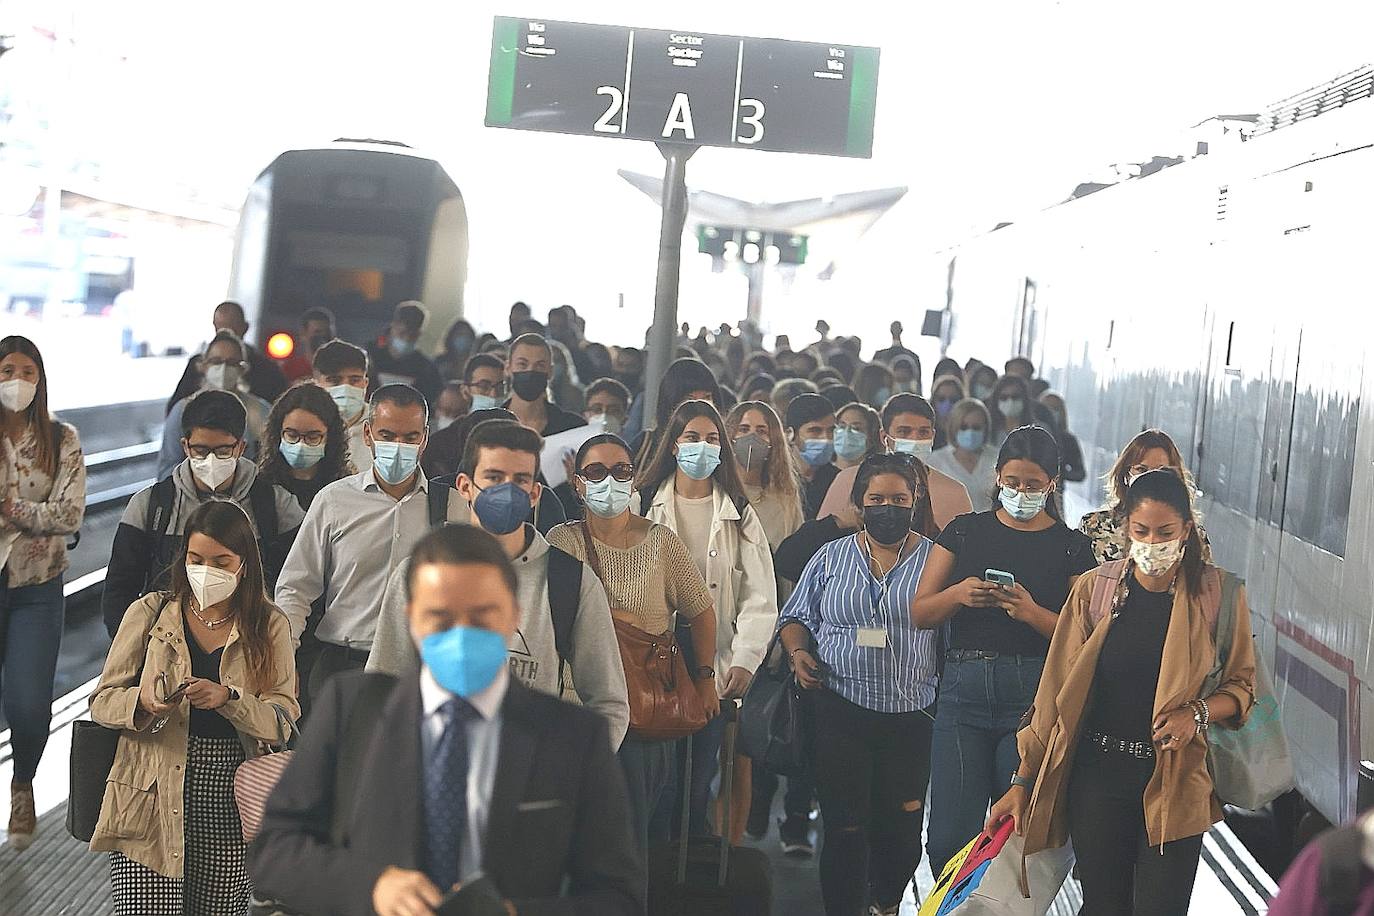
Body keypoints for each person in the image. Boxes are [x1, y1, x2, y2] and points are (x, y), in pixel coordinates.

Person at [251, 524, 644, 916]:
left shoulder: (572, 736)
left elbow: (619, 898)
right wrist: (373, 887)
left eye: (482, 616)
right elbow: (275, 850)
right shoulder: (351, 711)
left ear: (513, 615)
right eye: (440, 617)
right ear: (411, 618)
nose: (461, 635)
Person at [988, 469, 1257, 916]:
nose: (1154, 544)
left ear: (1187, 530)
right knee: (1104, 906)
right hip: (1097, 779)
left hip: (1176, 780)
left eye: (1166, 532)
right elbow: (1053, 693)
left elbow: (1242, 686)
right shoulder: (1095, 590)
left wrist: (1197, 713)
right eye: (1142, 531)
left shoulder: (1218, 595)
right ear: (1125, 528)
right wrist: (1021, 781)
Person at [90, 501, 299, 915]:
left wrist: (230, 700)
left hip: (227, 801)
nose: (207, 571)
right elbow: (102, 701)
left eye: (222, 562)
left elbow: (282, 720)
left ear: (244, 564)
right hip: (147, 792)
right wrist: (142, 703)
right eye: (196, 559)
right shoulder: (150, 614)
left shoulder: (269, 624)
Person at [367, 418, 629, 747]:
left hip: (528, 783)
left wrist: (570, 779)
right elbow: (380, 690)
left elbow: (609, 702)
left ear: (535, 494)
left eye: (520, 480)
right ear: (464, 486)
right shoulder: (421, 575)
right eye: (493, 477)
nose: (507, 489)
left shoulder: (569, 581)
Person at [911, 425, 1097, 875]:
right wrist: (958, 596)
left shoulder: (1072, 547)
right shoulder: (965, 531)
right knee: (948, 836)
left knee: (1012, 832)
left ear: (1052, 484)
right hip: (963, 694)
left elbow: (1085, 639)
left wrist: (1033, 613)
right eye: (1012, 482)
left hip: (1031, 700)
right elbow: (921, 611)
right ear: (997, 477)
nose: (1020, 492)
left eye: (1032, 485)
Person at [779, 452, 940, 916]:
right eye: (877, 499)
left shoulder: (937, 562)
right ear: (859, 504)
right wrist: (799, 652)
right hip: (841, 709)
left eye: (898, 499)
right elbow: (796, 616)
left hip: (912, 716)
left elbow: (951, 635)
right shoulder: (831, 556)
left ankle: (887, 902)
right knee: (846, 828)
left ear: (915, 502)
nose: (887, 508)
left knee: (904, 829)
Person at [547, 434, 720, 865]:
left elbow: (701, 611)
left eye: (621, 471)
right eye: (596, 472)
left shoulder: (662, 542)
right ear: (578, 484)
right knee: (578, 834)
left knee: (636, 837)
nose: (609, 481)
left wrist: (705, 678)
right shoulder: (560, 541)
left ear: (634, 479)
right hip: (581, 703)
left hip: (647, 707)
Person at [638, 400, 779, 840]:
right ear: (674, 444)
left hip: (712, 661)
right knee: (657, 785)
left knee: (696, 784)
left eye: (713, 439)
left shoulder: (738, 512)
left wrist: (745, 658)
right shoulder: (645, 503)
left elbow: (760, 595)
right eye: (693, 438)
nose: (703, 447)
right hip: (650, 662)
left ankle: (687, 880)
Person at [274, 384, 463, 701]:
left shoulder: (452, 507)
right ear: (367, 434)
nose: (398, 446)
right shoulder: (335, 500)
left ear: (425, 438)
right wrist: (282, 662)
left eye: (410, 438)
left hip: (420, 671)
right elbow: (296, 588)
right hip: (342, 665)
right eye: (387, 436)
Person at [103, 389, 304, 638]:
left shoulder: (274, 505)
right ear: (185, 446)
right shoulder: (151, 506)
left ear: (241, 447)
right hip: (167, 646)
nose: (210, 460)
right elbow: (119, 588)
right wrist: (134, 647)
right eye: (200, 450)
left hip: (249, 644)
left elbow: (298, 583)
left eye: (222, 451)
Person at [0, 336, 85, 851]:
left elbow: (70, 514)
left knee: (30, 705)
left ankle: (23, 781)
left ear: (41, 378)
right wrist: (36, 515)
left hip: (37, 587)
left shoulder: (61, 438)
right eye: (7, 369)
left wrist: (13, 511)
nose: (17, 380)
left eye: (27, 371)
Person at [817, 393, 974, 530]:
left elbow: (968, 554)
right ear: (884, 437)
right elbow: (821, 540)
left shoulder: (954, 493)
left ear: (932, 436)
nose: (915, 439)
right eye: (904, 431)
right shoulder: (847, 481)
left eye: (923, 432)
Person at [1079, 428, 1211, 563]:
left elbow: (1203, 580)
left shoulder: (1194, 535)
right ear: (1125, 474)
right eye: (1141, 470)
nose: (1150, 478)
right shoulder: (1095, 526)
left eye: (1161, 470)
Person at [158, 330, 273, 479]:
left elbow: (270, 465)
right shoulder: (182, 410)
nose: (224, 368)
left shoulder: (260, 411)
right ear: (203, 366)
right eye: (216, 361)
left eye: (232, 363)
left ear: (242, 368)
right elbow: (167, 469)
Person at [166, 300, 287, 411]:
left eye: (231, 363)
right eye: (216, 362)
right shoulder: (196, 365)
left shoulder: (266, 369)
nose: (226, 334)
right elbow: (174, 409)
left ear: (245, 328)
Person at [257, 382, 356, 512]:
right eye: (292, 435)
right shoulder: (260, 486)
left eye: (313, 437)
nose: (301, 444)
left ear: (330, 438)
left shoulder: (344, 488)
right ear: (278, 433)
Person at [726, 400, 804, 555]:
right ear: (730, 436)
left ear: (773, 441)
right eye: (744, 429)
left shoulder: (785, 499)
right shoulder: (717, 491)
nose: (752, 437)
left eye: (761, 431)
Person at [628, 356, 720, 465]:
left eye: (707, 398)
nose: (700, 406)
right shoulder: (644, 446)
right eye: (689, 399)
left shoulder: (721, 447)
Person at [504, 332, 586, 438]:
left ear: (551, 372)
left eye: (540, 365)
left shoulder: (573, 427)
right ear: (508, 368)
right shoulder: (488, 425)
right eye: (522, 364)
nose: (531, 370)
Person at [927, 398, 999, 512]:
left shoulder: (997, 458)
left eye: (976, 427)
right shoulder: (935, 461)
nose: (970, 432)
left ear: (985, 428)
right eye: (964, 427)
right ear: (954, 428)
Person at [312, 338, 373, 472]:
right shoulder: (304, 425)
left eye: (355, 380)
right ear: (317, 384)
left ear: (365, 383)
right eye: (334, 380)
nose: (345, 387)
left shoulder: (382, 427)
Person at [368, 301, 443, 406]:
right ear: (393, 325)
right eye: (402, 333)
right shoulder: (368, 356)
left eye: (413, 336)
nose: (407, 339)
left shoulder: (425, 368)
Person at [787, 393, 839, 521]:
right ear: (791, 434)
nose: (826, 438)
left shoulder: (838, 480)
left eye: (831, 431)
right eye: (815, 431)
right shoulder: (774, 479)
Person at [278, 307, 336, 382]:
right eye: (317, 332)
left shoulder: (341, 369)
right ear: (303, 334)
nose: (323, 336)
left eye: (328, 332)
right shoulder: (290, 368)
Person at [1037, 391, 1085, 483]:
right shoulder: (1027, 435)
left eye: (1055, 408)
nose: (1050, 412)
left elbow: (1080, 473)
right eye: (1046, 408)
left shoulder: (1067, 440)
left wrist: (1060, 473)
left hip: (1054, 492)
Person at [986, 374, 1037, 446]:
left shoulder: (1039, 431)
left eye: (1015, 397)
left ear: (1025, 399)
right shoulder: (988, 431)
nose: (1010, 401)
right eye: (1004, 397)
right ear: (996, 401)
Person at [833, 401, 882, 469]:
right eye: (842, 426)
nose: (847, 432)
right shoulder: (819, 474)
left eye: (856, 428)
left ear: (871, 437)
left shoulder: (875, 476)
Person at [928, 374, 966, 449]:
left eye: (953, 400)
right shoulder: (926, 432)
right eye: (941, 399)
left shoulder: (966, 432)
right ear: (934, 401)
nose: (947, 404)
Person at [435, 318, 476, 382]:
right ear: (451, 337)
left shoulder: (475, 364)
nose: (463, 339)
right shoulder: (440, 362)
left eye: (466, 335)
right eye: (459, 335)